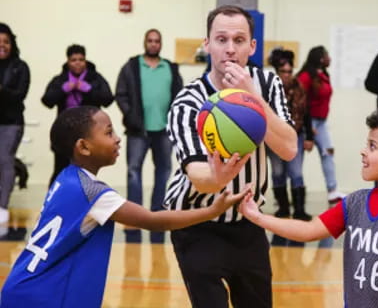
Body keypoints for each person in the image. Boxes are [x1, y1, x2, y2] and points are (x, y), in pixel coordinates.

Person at [0, 106, 247, 308]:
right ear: (83, 146)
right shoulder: (93, 193)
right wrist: (212, 210)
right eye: (109, 133)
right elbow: (154, 220)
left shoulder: (66, 179)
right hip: (42, 296)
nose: (118, 138)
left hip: (23, 288)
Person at [239, 107, 378, 308]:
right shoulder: (354, 203)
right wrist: (257, 216)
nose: (363, 151)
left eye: (372, 146)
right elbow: (308, 230)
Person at [165, 5, 297, 307]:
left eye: (239, 40)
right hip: (196, 220)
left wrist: (253, 99)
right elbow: (199, 177)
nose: (229, 49)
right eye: (221, 39)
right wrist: (218, 178)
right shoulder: (188, 101)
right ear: (206, 44)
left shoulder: (268, 84)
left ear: (252, 46)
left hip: (248, 220)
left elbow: (289, 149)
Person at [115, 29, 183, 243]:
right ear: (144, 42)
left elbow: (180, 96)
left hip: (164, 131)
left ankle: (157, 215)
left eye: (157, 41)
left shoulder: (170, 68)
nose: (153, 44)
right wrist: (130, 115)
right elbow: (121, 93)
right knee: (133, 172)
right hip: (138, 130)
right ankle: (134, 216)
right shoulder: (132, 66)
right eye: (150, 41)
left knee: (164, 172)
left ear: (161, 44)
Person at [41, 44, 114, 186]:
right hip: (65, 133)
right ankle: (55, 202)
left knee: (87, 170)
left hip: (90, 133)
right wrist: (63, 90)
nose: (78, 63)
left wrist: (89, 89)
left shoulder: (95, 78)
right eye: (74, 60)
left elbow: (108, 99)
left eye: (81, 59)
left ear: (85, 61)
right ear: (68, 62)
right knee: (60, 170)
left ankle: (86, 204)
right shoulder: (61, 79)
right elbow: (47, 101)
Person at [267, 48, 314, 220]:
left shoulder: (299, 88)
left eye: (289, 71)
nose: (287, 75)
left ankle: (299, 210)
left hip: (296, 134)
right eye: (283, 71)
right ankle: (283, 208)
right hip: (273, 136)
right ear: (277, 71)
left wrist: (310, 137)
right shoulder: (269, 89)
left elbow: (306, 112)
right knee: (278, 172)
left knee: (296, 172)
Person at [297, 46, 345, 204]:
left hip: (321, 123)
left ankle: (332, 190)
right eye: (326, 55)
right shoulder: (306, 76)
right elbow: (298, 101)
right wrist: (307, 127)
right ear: (319, 58)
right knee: (296, 159)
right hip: (307, 122)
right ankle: (295, 195)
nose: (330, 58)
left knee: (328, 153)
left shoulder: (323, 75)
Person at [0, 23, 30, 226]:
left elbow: (20, 95)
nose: (2, 45)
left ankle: (2, 206)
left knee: (4, 159)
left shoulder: (20, 67)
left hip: (11, 122)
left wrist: (1, 89)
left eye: (6, 42)